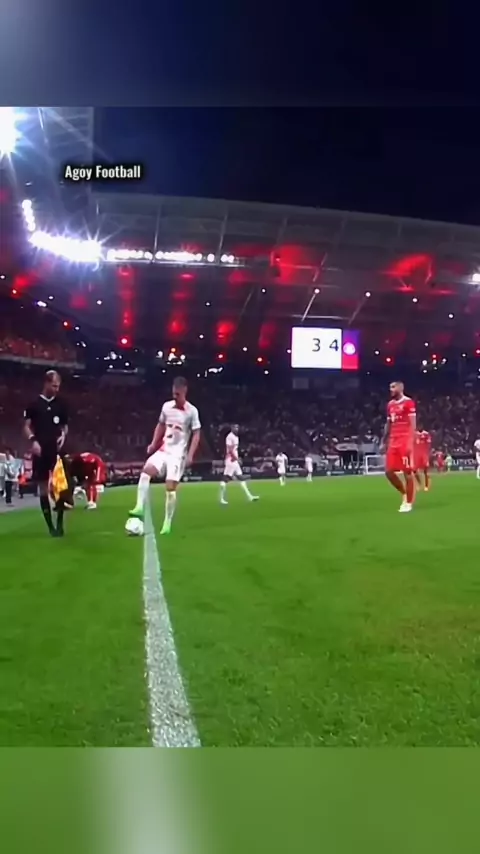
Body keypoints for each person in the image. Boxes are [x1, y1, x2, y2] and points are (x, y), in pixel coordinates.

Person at [128, 377, 201, 535]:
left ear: (184, 391)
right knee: (146, 471)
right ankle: (139, 506)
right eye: (173, 394)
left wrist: (190, 455)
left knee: (170, 487)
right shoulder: (166, 407)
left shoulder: (192, 411)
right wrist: (153, 443)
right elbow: (160, 425)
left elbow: (196, 434)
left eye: (178, 394)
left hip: (178, 455)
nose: (175, 397)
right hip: (164, 449)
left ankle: (167, 523)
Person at [23, 370, 69, 536]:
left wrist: (63, 435)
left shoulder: (61, 404)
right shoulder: (34, 404)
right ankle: (50, 527)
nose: (57, 389)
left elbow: (65, 426)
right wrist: (33, 441)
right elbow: (26, 426)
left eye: (58, 386)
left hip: (56, 451)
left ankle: (60, 523)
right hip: (40, 451)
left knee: (61, 487)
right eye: (54, 386)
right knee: (42, 487)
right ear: (46, 383)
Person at [381, 380, 416, 513]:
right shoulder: (390, 405)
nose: (391, 389)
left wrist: (410, 442)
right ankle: (404, 493)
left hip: (404, 440)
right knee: (389, 472)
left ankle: (409, 502)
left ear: (400, 388)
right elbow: (388, 423)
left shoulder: (408, 402)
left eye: (393, 387)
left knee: (407, 472)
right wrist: (383, 440)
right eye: (390, 387)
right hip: (393, 441)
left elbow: (413, 424)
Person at [219, 424, 259, 505]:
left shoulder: (236, 437)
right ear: (232, 428)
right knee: (226, 479)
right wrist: (236, 458)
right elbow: (230, 450)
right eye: (235, 427)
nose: (237, 429)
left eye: (237, 427)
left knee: (241, 479)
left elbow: (235, 449)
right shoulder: (229, 437)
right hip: (231, 460)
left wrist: (237, 458)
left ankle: (249, 496)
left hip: (235, 461)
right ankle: (221, 498)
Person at [414, 428, 432, 492]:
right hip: (417, 455)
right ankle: (419, 484)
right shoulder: (414, 434)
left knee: (426, 471)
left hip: (424, 455)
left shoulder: (426, 434)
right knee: (414, 470)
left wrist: (428, 453)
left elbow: (429, 444)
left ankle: (426, 486)